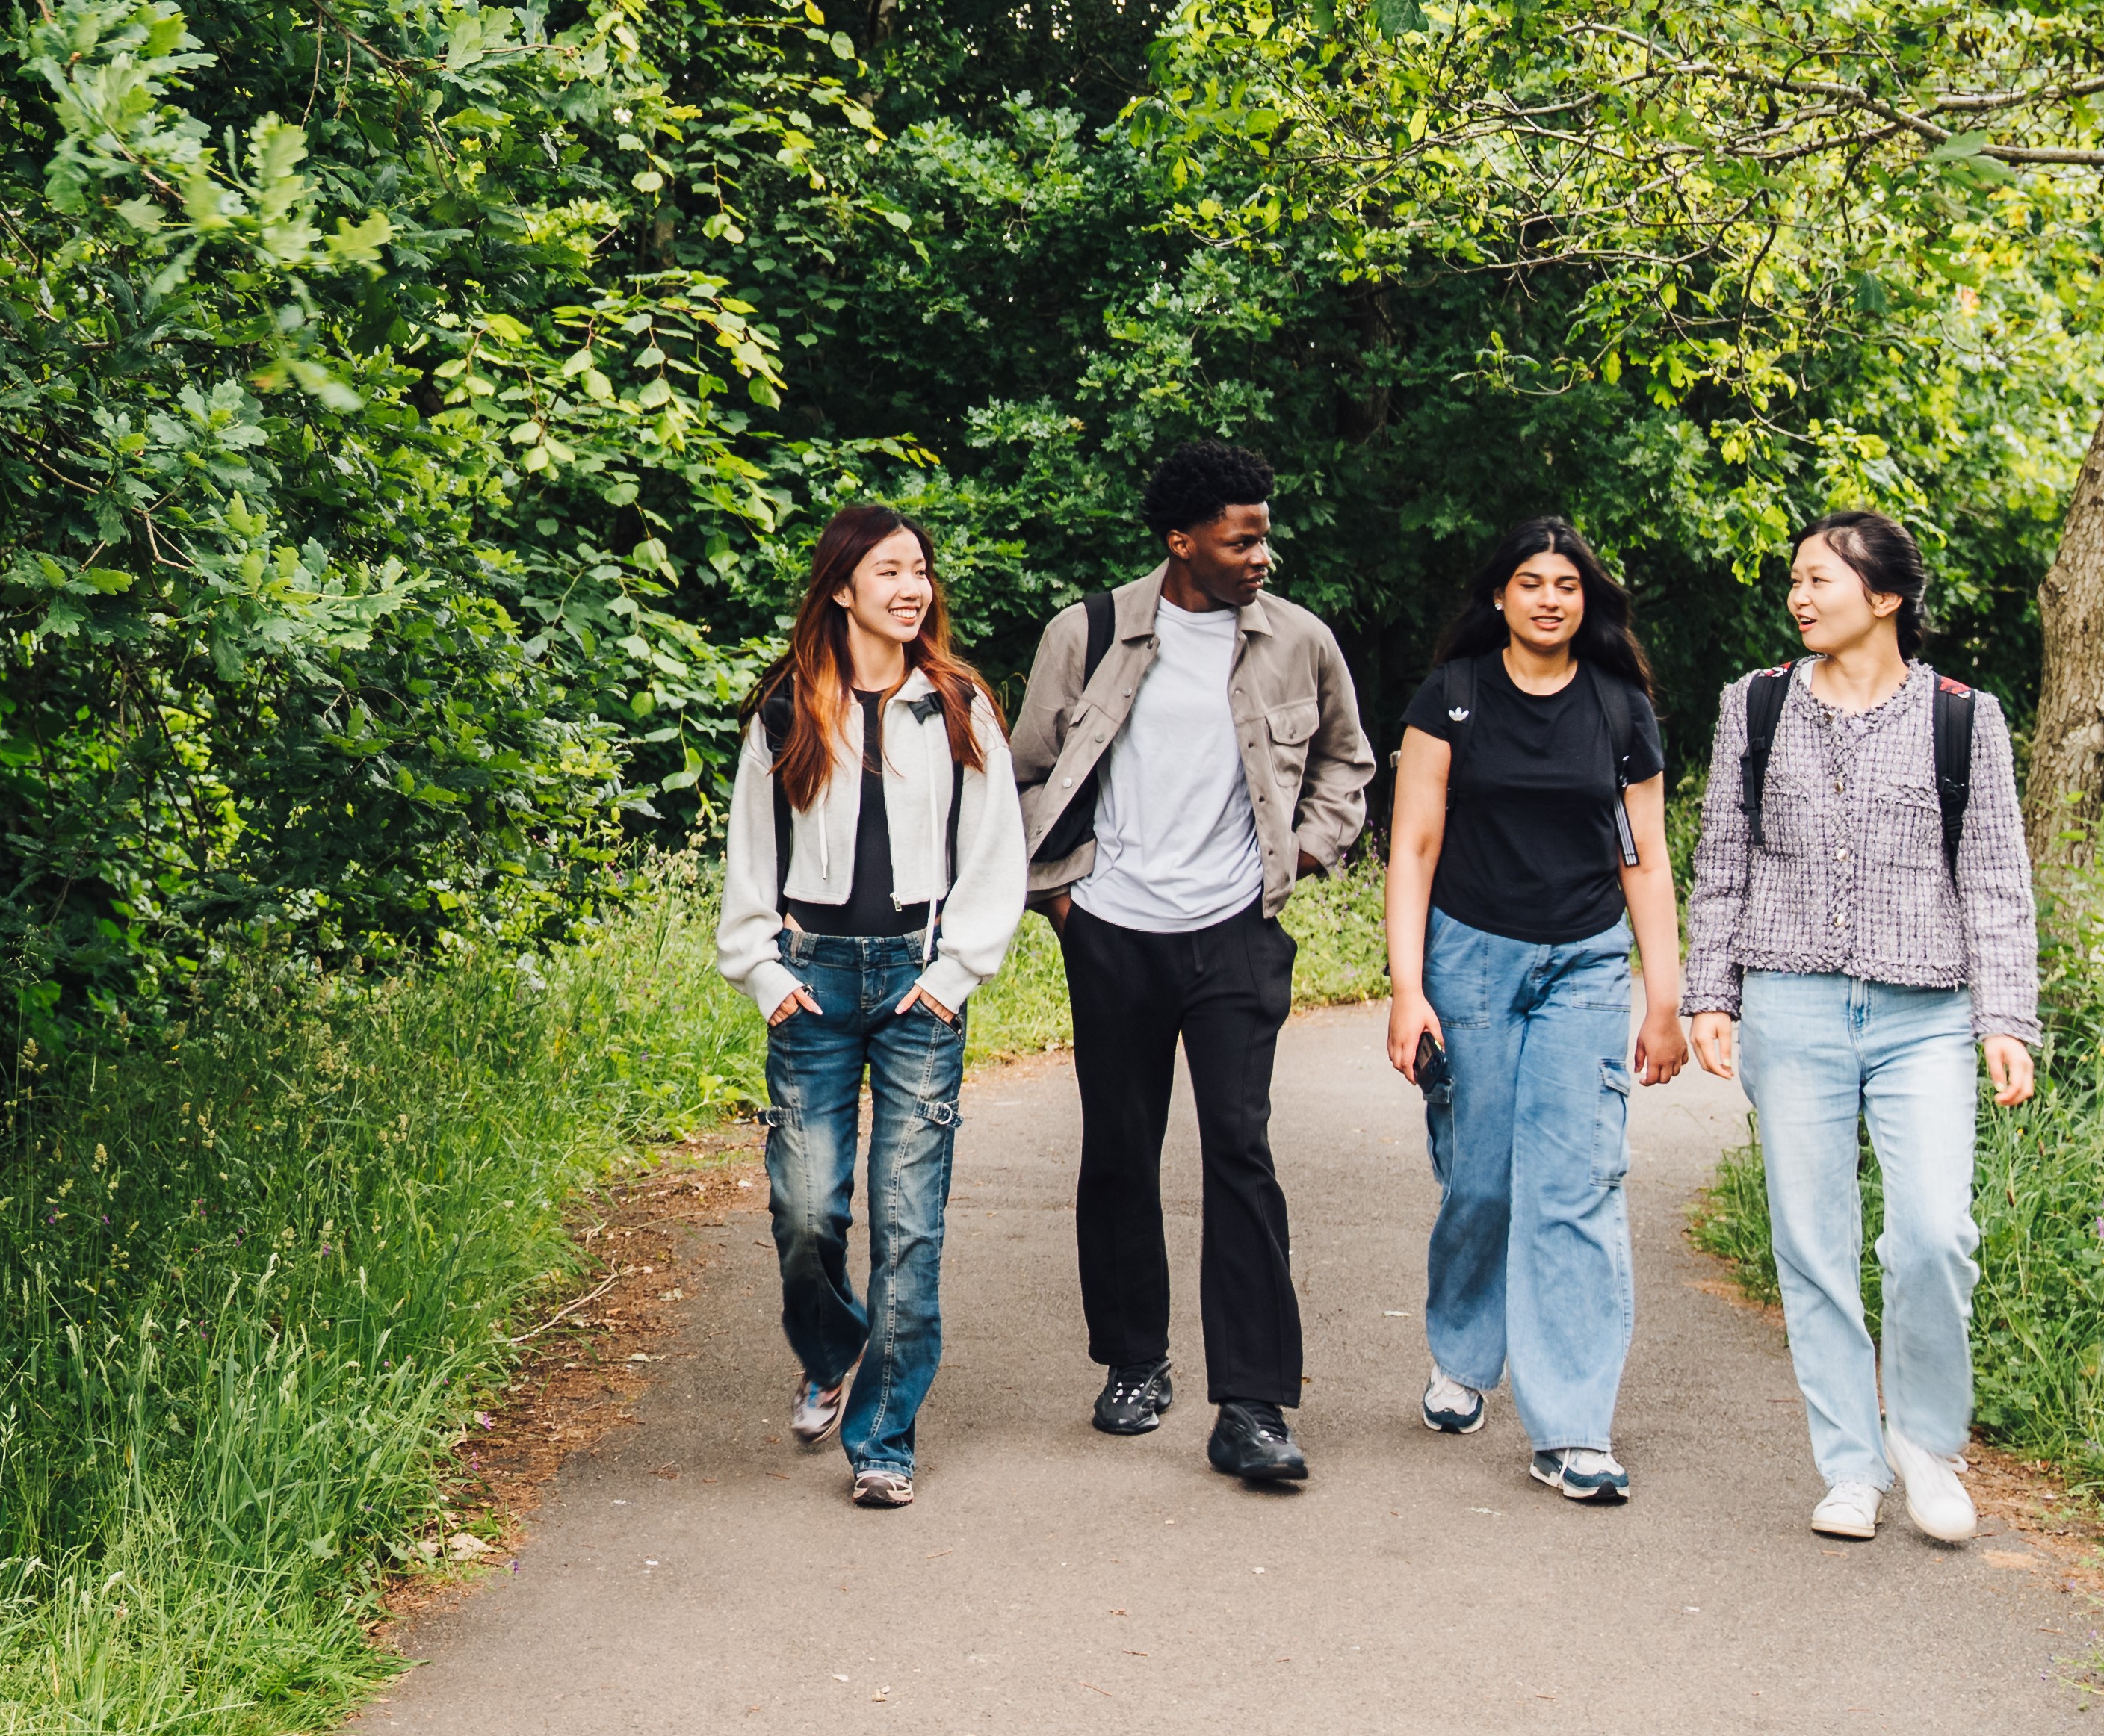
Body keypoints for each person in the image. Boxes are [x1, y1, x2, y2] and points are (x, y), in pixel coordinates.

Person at [1008, 441, 1376, 1484]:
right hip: (1113, 928)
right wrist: (1062, 893)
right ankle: (1133, 1361)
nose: (1264, 550)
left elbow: (1349, 756)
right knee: (1120, 1147)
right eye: (1242, 535)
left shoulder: (1298, 640)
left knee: (1240, 1150)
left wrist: (1308, 848)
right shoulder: (1087, 632)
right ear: (1183, 543)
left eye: (1264, 530)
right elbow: (1027, 770)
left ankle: (1252, 1406)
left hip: (1234, 930)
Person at [1679, 510, 2042, 1546]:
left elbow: (1997, 880)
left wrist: (2004, 1016)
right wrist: (1712, 990)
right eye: (1794, 579)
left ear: (1884, 599)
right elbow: (1724, 860)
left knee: (1933, 1232)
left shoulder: (1964, 718)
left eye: (1820, 580)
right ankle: (1849, 1463)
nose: (1799, 597)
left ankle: (1925, 1443)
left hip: (1926, 1012)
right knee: (1812, 1241)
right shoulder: (1752, 706)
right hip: (1791, 1002)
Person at [717, 503, 1032, 1510]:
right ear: (842, 587)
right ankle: (832, 1345)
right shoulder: (783, 708)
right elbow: (748, 851)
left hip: (918, 982)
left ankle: (885, 1435)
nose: (911, 587)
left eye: (921, 571)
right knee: (805, 1210)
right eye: (890, 570)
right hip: (809, 978)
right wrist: (763, 973)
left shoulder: (956, 703)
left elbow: (996, 854)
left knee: (909, 1221)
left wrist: (953, 975)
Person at [1380, 518, 1686, 1506]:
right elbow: (1414, 847)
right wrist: (1406, 985)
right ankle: (1464, 1354)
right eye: (1530, 582)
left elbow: (1646, 855)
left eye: (1567, 584)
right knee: (1481, 1177)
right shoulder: (1453, 697)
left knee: (1578, 1184)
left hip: (1586, 964)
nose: (1550, 598)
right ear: (1501, 597)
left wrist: (1665, 994)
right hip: (1470, 955)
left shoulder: (1619, 707)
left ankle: (1572, 1428)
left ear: (1586, 600)